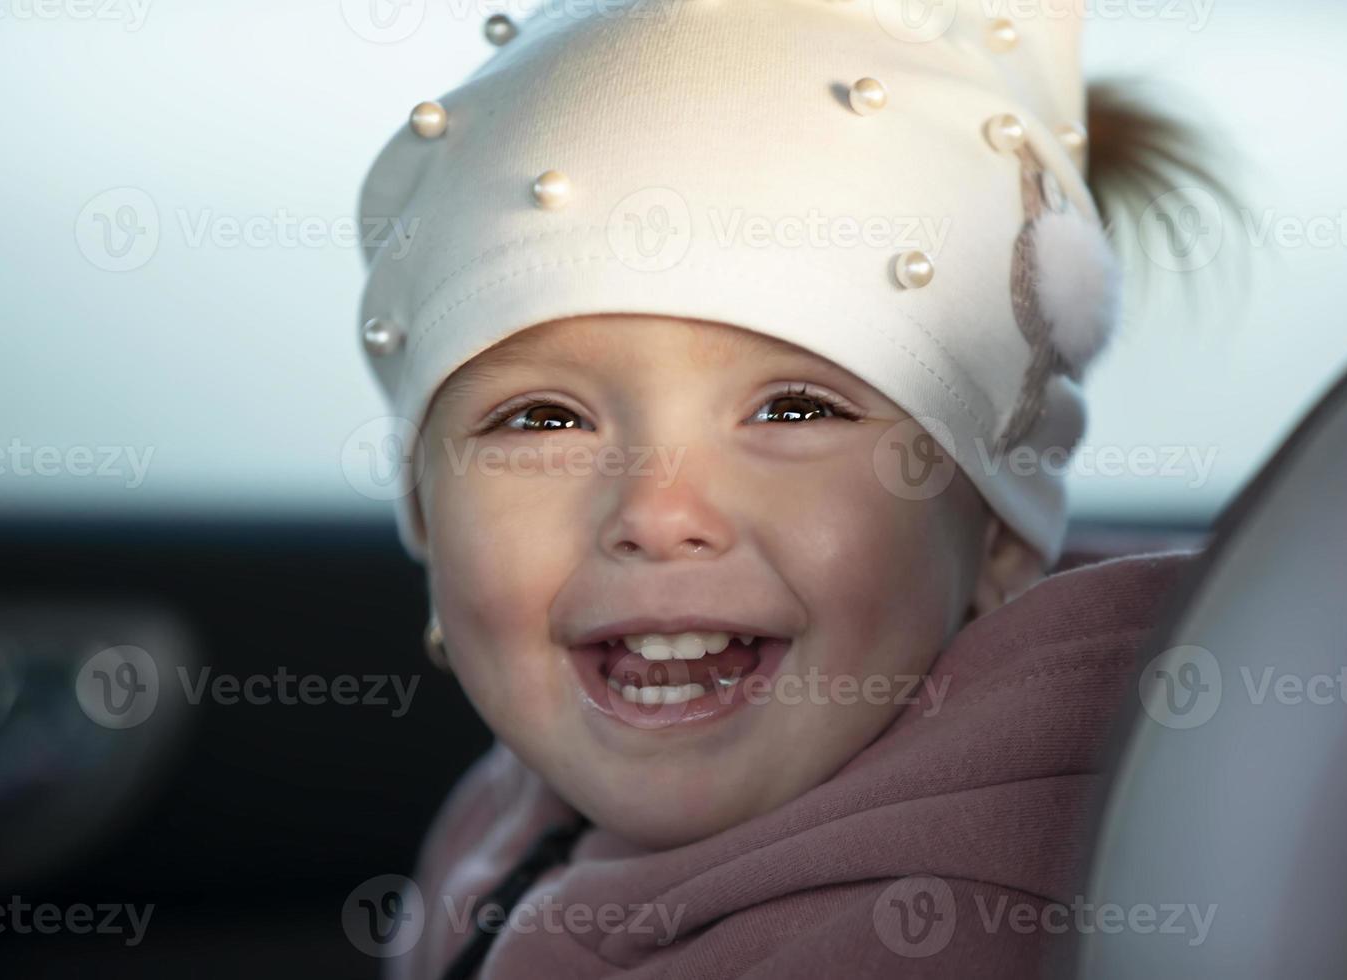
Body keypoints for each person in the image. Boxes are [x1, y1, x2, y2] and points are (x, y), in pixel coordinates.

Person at [352, 2, 1219, 975]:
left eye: (795, 410)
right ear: (423, 507)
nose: (658, 513)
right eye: (544, 419)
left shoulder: (962, 933)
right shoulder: (508, 811)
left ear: (997, 534)